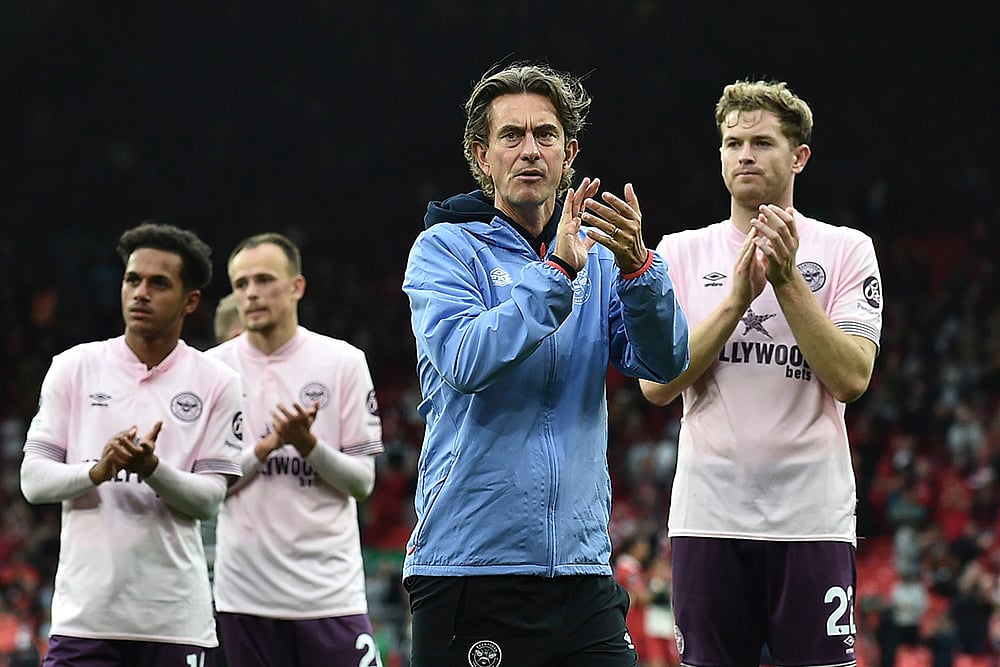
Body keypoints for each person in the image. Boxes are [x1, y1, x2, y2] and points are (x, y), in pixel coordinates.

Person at [401, 62, 690, 667]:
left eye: (546, 135)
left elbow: (664, 361)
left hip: (582, 570)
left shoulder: (603, 257)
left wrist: (640, 267)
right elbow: (464, 358)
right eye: (511, 136)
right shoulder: (445, 250)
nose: (529, 149)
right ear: (482, 156)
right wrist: (556, 275)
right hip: (472, 568)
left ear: (570, 152)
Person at [639, 79, 884, 667]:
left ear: (799, 156)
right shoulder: (680, 253)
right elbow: (656, 385)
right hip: (709, 516)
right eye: (732, 142)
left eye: (761, 142)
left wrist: (788, 280)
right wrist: (734, 302)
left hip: (812, 519)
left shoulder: (847, 250)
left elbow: (852, 377)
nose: (744, 154)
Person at [19, 222, 244, 666]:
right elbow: (33, 481)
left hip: (175, 623)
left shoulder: (218, 381)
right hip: (84, 620)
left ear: (190, 300)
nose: (140, 293)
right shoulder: (73, 367)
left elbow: (209, 501)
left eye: (159, 284)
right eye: (132, 279)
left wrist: (152, 469)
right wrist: (95, 471)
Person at [206, 232, 385, 667]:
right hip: (244, 595)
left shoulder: (343, 361)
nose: (251, 293)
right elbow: (212, 489)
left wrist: (308, 445)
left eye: (264, 279)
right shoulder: (212, 369)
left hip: (328, 592)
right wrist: (269, 446)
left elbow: (361, 483)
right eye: (241, 284)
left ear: (296, 287)